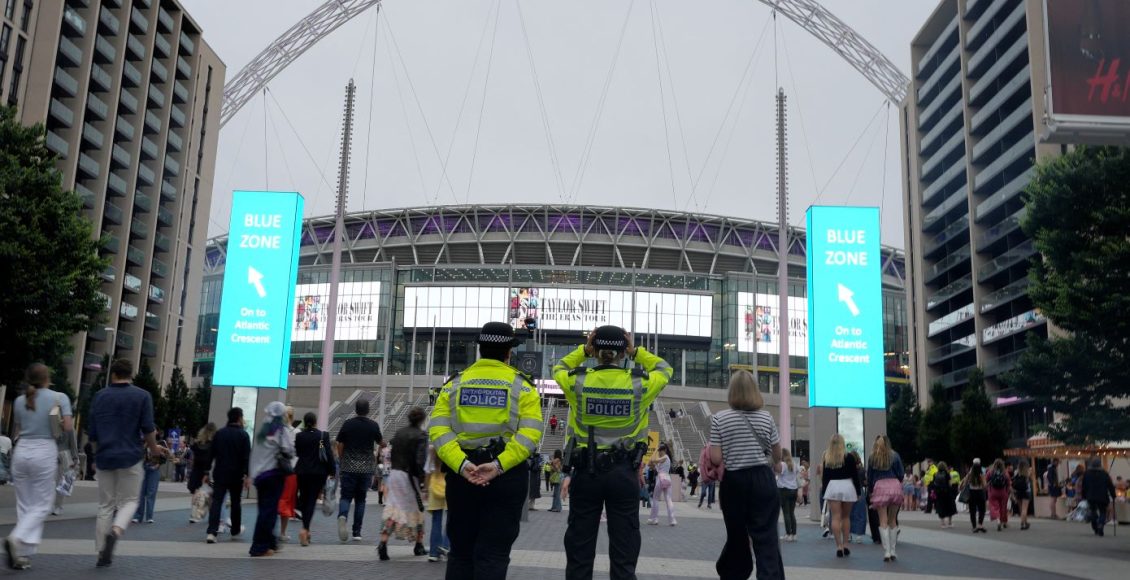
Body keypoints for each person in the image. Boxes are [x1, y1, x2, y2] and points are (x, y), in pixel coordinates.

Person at [552, 325, 671, 580]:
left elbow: (558, 368)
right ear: (623, 352)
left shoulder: (578, 381)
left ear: (595, 351)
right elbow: (664, 369)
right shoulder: (639, 383)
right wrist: (637, 351)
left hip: (586, 473)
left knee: (579, 551)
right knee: (624, 552)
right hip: (623, 474)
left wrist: (583, 351)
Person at [429, 321, 543, 580]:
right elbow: (530, 435)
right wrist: (498, 465)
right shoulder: (523, 387)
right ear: (509, 352)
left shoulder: (454, 384)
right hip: (505, 476)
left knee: (460, 553)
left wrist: (461, 465)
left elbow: (438, 430)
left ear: (480, 349)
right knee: (494, 554)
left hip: (463, 476)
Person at [708, 370, 784, 580]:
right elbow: (777, 455)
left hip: (734, 482)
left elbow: (716, 458)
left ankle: (734, 574)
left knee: (737, 536)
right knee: (766, 538)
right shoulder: (766, 417)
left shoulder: (720, 418)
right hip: (763, 480)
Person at [88, 359, 164, 568]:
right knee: (130, 501)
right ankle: (116, 530)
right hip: (130, 456)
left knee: (105, 505)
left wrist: (95, 456)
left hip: (105, 456)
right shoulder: (142, 396)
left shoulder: (99, 396)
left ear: (113, 374)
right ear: (131, 374)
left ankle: (101, 550)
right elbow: (148, 428)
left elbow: (92, 433)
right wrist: (154, 449)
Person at [4, 363, 76, 570]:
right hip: (44, 450)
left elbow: (19, 426)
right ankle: (16, 538)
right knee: (43, 504)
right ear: (47, 378)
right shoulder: (59, 398)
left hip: (22, 449)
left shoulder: (20, 400)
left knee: (25, 503)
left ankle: (22, 554)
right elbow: (68, 427)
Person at [378, 407, 429, 561]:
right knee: (418, 508)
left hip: (395, 473)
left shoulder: (399, 433)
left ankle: (383, 541)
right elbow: (420, 461)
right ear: (422, 420)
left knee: (393, 506)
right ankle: (418, 544)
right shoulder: (421, 435)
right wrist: (422, 481)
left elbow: (392, 453)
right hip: (410, 476)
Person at [247, 402, 294, 557]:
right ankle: (259, 546)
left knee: (265, 509)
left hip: (259, 475)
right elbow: (288, 449)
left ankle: (271, 542)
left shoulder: (262, 429)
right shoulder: (279, 429)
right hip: (273, 474)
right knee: (268, 512)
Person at [336, 399, 385, 542]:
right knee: (360, 500)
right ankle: (356, 532)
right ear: (368, 410)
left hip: (348, 467)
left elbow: (339, 444)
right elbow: (380, 442)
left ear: (356, 409)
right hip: (365, 468)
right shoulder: (373, 425)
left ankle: (343, 515)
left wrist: (342, 459)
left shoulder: (348, 424)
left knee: (345, 497)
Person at [206, 407, 251, 543]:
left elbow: (211, 454)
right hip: (236, 475)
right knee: (236, 502)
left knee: (217, 501)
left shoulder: (219, 434)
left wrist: (206, 471)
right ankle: (235, 530)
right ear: (239, 418)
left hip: (220, 473)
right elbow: (246, 458)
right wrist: (247, 475)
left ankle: (212, 532)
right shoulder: (244, 435)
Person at [294, 412, 335, 546]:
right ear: (316, 422)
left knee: (304, 499)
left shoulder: (299, 436)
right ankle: (305, 530)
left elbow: (297, 453)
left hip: (302, 472)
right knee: (311, 501)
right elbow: (328, 454)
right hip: (318, 473)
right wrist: (332, 471)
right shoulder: (322, 436)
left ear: (304, 422)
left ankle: (306, 530)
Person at [821, 433, 860, 558]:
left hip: (833, 487)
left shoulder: (827, 458)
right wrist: (858, 491)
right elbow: (855, 476)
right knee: (846, 517)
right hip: (847, 486)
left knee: (835, 517)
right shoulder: (849, 457)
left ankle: (838, 546)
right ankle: (846, 544)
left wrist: (824, 492)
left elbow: (825, 477)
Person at [866, 435, 904, 562]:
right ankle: (893, 550)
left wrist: (871, 491)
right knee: (892, 519)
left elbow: (870, 477)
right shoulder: (895, 455)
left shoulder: (873, 457)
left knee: (883, 520)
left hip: (880, 487)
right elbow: (901, 474)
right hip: (895, 486)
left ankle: (886, 551)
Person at [132, 435, 169, 523]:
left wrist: (158, 464)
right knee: (141, 493)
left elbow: (165, 456)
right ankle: (138, 516)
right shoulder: (141, 442)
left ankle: (149, 516)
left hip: (154, 470)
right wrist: (145, 444)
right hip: (143, 469)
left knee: (151, 493)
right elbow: (137, 454)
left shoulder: (160, 443)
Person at [277, 407, 299, 543]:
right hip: (291, 470)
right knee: (286, 500)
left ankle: (274, 530)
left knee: (277, 498)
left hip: (276, 469)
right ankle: (282, 532)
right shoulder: (296, 432)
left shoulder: (276, 431)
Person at [424, 445, 450, 562]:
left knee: (436, 520)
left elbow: (428, 471)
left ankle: (434, 552)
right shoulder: (450, 448)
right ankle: (446, 546)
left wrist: (425, 489)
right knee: (451, 519)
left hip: (434, 487)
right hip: (449, 486)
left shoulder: (432, 450)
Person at [187, 423, 216, 523]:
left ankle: (193, 515)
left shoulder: (197, 444)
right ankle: (212, 516)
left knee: (196, 493)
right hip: (207, 471)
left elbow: (193, 458)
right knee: (210, 494)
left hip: (196, 470)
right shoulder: (213, 444)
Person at [1080, 457, 1116, 537]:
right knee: (1103, 511)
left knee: (1093, 511)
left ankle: (1095, 527)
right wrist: (1113, 494)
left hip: (1091, 496)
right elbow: (1110, 485)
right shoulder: (1104, 474)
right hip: (1102, 496)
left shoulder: (1087, 474)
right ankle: (1101, 524)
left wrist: (1083, 495)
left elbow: (1084, 486)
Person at [648, 444, 678, 526]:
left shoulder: (665, 457)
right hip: (667, 479)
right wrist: (655, 455)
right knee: (668, 499)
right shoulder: (664, 459)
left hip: (660, 479)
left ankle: (654, 519)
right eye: (659, 451)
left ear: (664, 450)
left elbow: (653, 460)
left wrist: (655, 450)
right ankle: (672, 520)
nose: (659, 452)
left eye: (660, 451)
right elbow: (650, 462)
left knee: (655, 499)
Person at [776, 449, 799, 542]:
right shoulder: (794, 464)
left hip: (784, 490)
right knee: (792, 513)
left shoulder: (782, 464)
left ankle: (788, 534)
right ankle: (794, 534)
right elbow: (797, 475)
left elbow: (777, 472)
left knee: (786, 513)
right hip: (794, 489)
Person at [961, 458, 988, 533]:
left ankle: (974, 526)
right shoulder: (981, 474)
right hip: (980, 493)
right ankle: (980, 524)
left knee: (972, 510)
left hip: (972, 493)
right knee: (982, 509)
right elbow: (984, 485)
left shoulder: (970, 474)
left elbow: (965, 483)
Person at [986, 458, 1011, 531]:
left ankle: (998, 520)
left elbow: (986, 480)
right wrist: (1008, 492)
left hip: (993, 492)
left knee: (994, 507)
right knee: (1003, 508)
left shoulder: (990, 472)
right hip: (1003, 492)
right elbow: (1008, 483)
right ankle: (1004, 522)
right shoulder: (1005, 472)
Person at [932, 461, 958, 528]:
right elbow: (950, 483)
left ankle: (942, 523)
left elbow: (934, 484)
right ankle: (950, 522)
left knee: (941, 507)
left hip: (939, 493)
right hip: (947, 492)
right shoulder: (947, 474)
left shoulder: (935, 474)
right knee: (950, 507)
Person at [697, 444, 721, 510]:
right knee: (703, 492)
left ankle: (709, 504)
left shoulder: (714, 459)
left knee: (710, 493)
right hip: (705, 479)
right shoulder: (704, 459)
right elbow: (702, 467)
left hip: (712, 479)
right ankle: (700, 502)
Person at [1012, 460, 1033, 530]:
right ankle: (1022, 523)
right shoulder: (1027, 473)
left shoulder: (1016, 473)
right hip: (1026, 492)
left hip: (1018, 492)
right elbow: (1030, 480)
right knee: (1024, 509)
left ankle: (1025, 522)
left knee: (1021, 509)